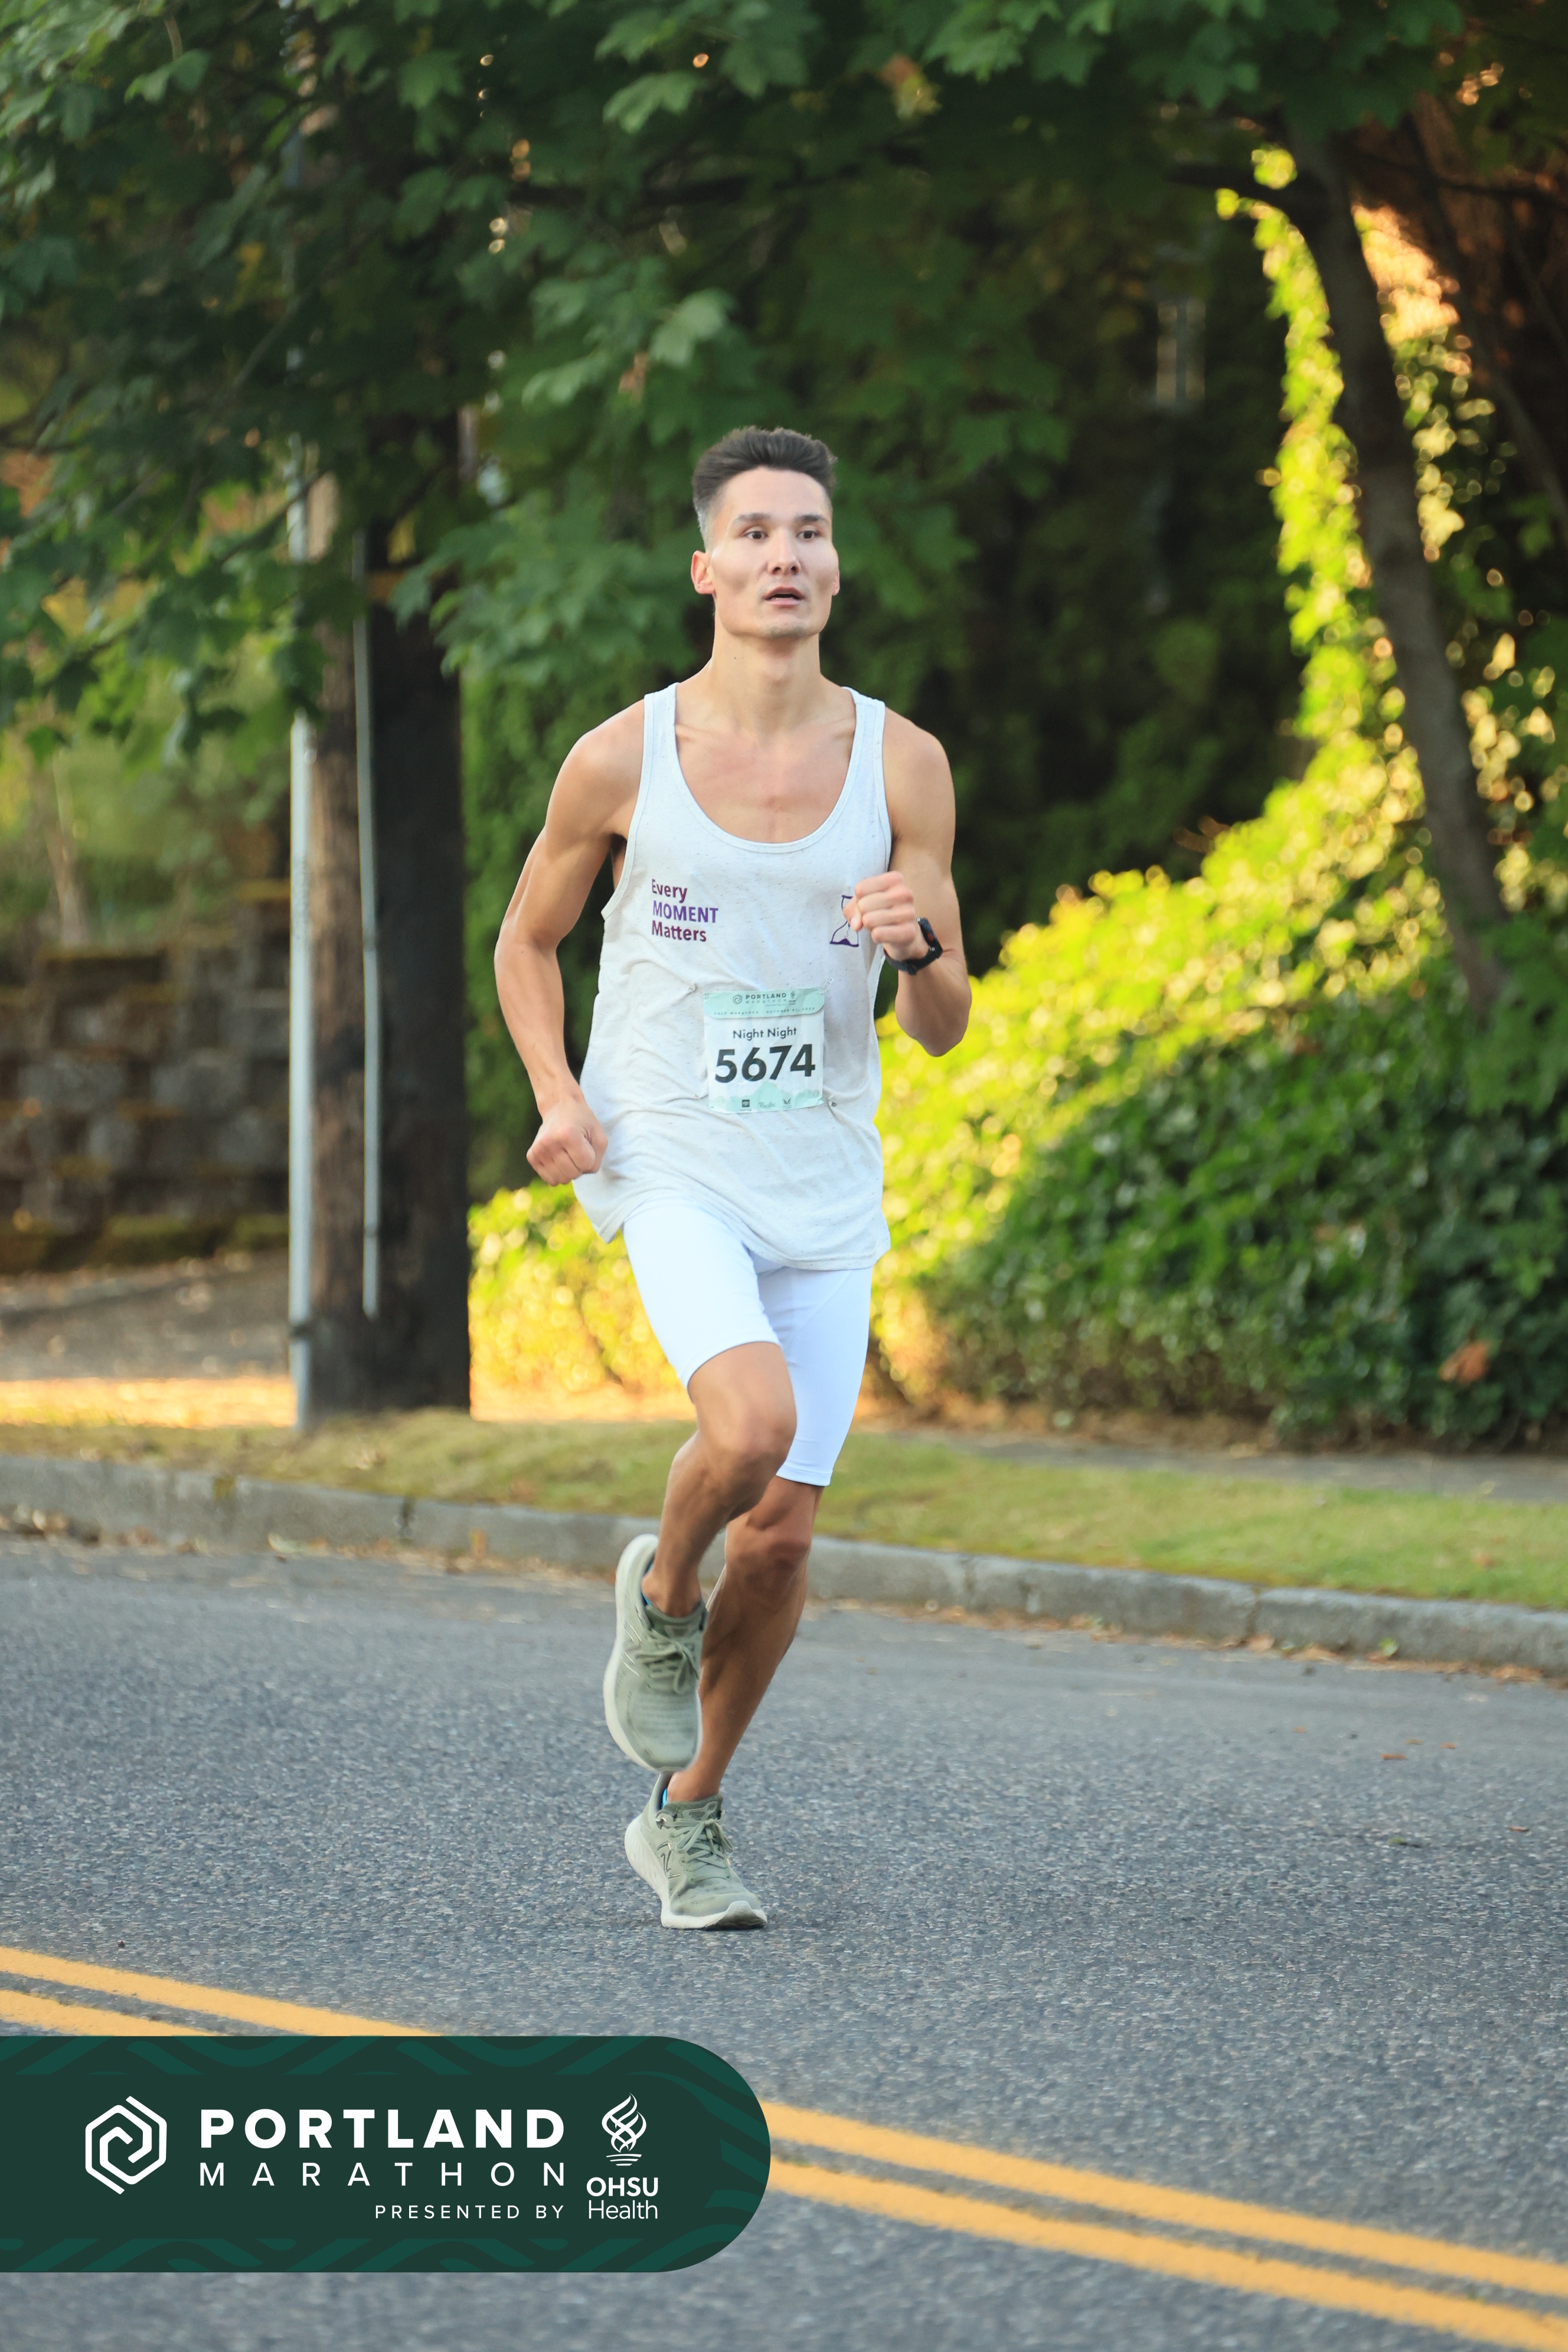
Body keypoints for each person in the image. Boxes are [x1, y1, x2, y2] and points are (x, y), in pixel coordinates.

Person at [494, 425, 971, 1929]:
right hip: (672, 1148)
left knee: (786, 1534)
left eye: (808, 532)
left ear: (835, 567)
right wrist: (558, 1094)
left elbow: (943, 1023)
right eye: (755, 533)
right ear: (706, 568)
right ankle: (661, 1592)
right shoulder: (621, 757)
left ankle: (684, 1817)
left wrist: (918, 949)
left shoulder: (900, 763)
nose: (784, 556)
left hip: (821, 1172)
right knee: (748, 1427)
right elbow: (525, 943)